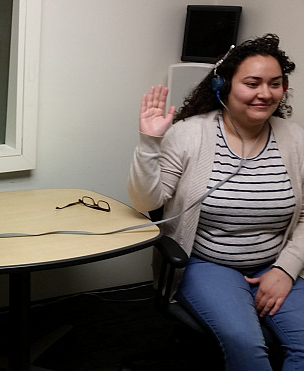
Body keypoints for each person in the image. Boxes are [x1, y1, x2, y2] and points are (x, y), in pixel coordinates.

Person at [128, 34, 304, 370]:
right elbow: (144, 200)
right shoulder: (190, 134)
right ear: (223, 86)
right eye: (252, 83)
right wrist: (150, 142)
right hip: (208, 265)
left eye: (275, 83)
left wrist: (286, 268)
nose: (265, 94)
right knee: (247, 345)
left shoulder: (295, 138)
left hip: (273, 263)